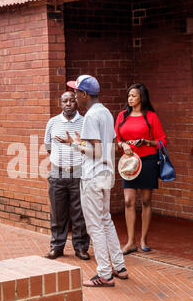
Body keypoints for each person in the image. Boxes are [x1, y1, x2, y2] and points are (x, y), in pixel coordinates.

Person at [57, 75, 128, 287]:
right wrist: (80, 142)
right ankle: (119, 266)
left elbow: (95, 151)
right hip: (106, 174)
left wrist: (75, 144)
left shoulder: (90, 117)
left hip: (93, 175)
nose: (76, 96)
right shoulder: (106, 112)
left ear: (85, 94)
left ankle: (105, 274)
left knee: (95, 225)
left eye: (77, 92)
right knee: (105, 219)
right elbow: (108, 146)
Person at [115, 83, 167, 254]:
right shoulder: (122, 116)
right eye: (129, 95)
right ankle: (130, 242)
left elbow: (162, 141)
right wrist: (123, 145)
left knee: (145, 201)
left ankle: (144, 239)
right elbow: (117, 138)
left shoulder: (151, 117)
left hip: (147, 161)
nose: (130, 99)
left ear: (141, 98)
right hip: (129, 163)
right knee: (129, 201)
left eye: (134, 96)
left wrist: (146, 142)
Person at [44, 91, 90, 260]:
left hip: (78, 172)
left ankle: (81, 247)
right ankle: (56, 247)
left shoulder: (85, 122)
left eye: (72, 100)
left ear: (76, 103)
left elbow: (88, 145)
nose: (69, 104)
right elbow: (48, 146)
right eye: (65, 101)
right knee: (57, 213)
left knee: (80, 213)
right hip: (57, 173)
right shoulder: (53, 122)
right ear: (60, 103)